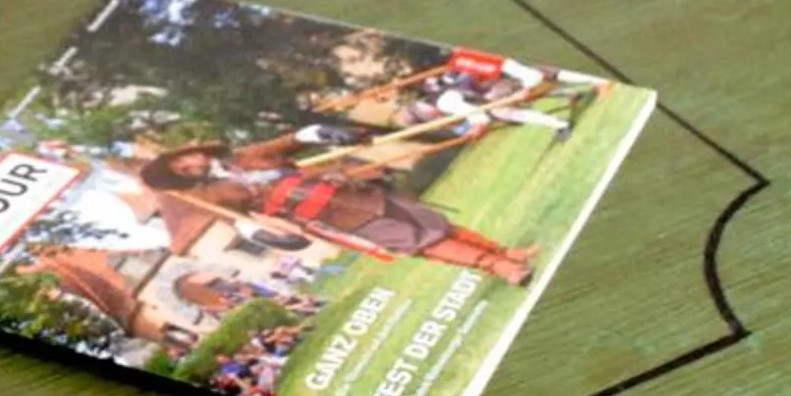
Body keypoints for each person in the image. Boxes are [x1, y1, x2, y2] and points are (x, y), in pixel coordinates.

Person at [139, 134, 537, 284]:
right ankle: (499, 267)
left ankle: (504, 252)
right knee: (420, 241)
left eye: (186, 159)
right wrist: (253, 231)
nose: (190, 165)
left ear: (193, 150)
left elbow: (285, 145)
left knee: (434, 223)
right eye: (181, 170)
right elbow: (232, 218)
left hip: (355, 189)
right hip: (334, 216)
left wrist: (311, 135)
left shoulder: (244, 156)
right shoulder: (209, 194)